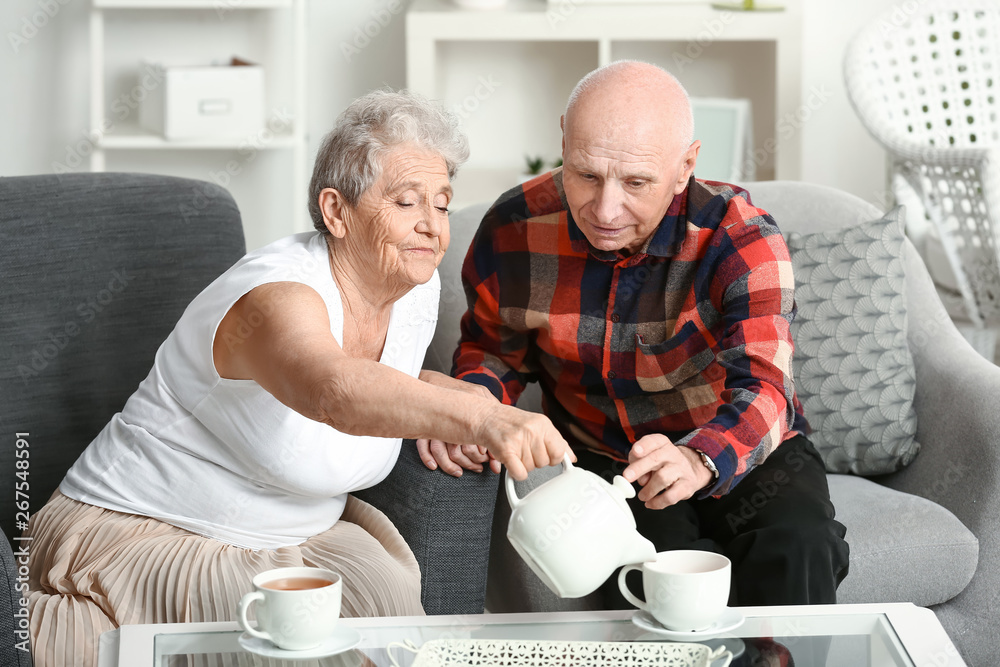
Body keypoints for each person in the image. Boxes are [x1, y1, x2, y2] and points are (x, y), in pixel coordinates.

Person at [24, 89, 570, 667]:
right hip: (146, 531)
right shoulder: (276, 295)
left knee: (394, 630)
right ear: (336, 210)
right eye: (407, 202)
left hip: (298, 539)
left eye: (442, 204)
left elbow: (394, 377)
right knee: (293, 646)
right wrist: (482, 416)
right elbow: (332, 388)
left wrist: (466, 410)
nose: (433, 226)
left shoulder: (413, 288)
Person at [417, 62, 850, 607]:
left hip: (741, 449)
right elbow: (493, 354)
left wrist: (698, 460)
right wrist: (469, 408)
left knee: (799, 547)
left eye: (637, 183)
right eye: (587, 175)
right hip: (607, 461)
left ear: (685, 165)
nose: (604, 210)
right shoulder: (513, 229)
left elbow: (765, 388)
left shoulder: (740, 237)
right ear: (564, 141)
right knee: (656, 583)